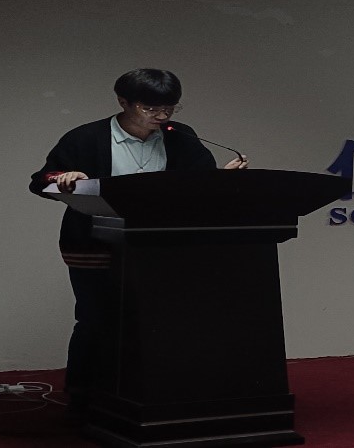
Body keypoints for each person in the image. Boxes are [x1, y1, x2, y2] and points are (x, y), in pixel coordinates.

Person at [28, 68, 247, 415]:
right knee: (96, 320)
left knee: (160, 321)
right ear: (123, 102)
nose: (161, 116)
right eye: (150, 108)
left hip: (160, 247)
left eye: (170, 108)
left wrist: (221, 180)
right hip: (95, 244)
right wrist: (66, 178)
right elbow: (42, 180)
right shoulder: (86, 137)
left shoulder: (179, 135)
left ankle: (152, 394)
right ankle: (84, 398)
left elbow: (198, 184)